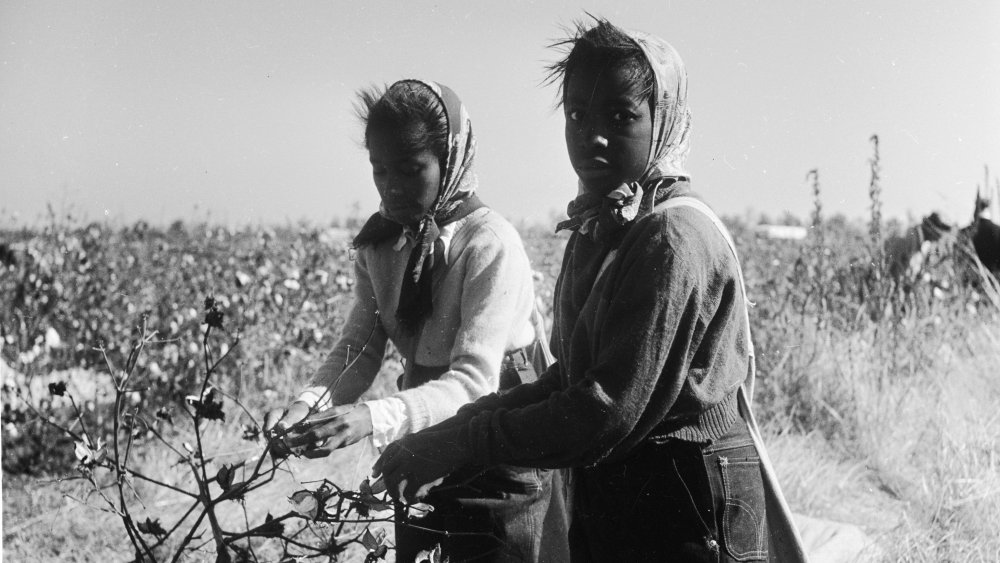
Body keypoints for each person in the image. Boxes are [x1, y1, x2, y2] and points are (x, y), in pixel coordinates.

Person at [374, 20, 806, 562]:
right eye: (577, 115)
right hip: (628, 489)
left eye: (621, 116)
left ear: (663, 120)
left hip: (689, 500)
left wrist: (459, 442)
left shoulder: (671, 237)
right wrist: (451, 430)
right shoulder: (601, 227)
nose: (591, 135)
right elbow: (569, 377)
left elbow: (603, 410)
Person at [264, 79, 566, 562]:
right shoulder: (381, 244)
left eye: (411, 169)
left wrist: (371, 417)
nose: (393, 188)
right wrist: (308, 404)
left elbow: (475, 381)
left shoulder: (489, 244)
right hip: (424, 429)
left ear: (450, 160)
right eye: (380, 171)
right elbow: (360, 346)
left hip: (502, 432)